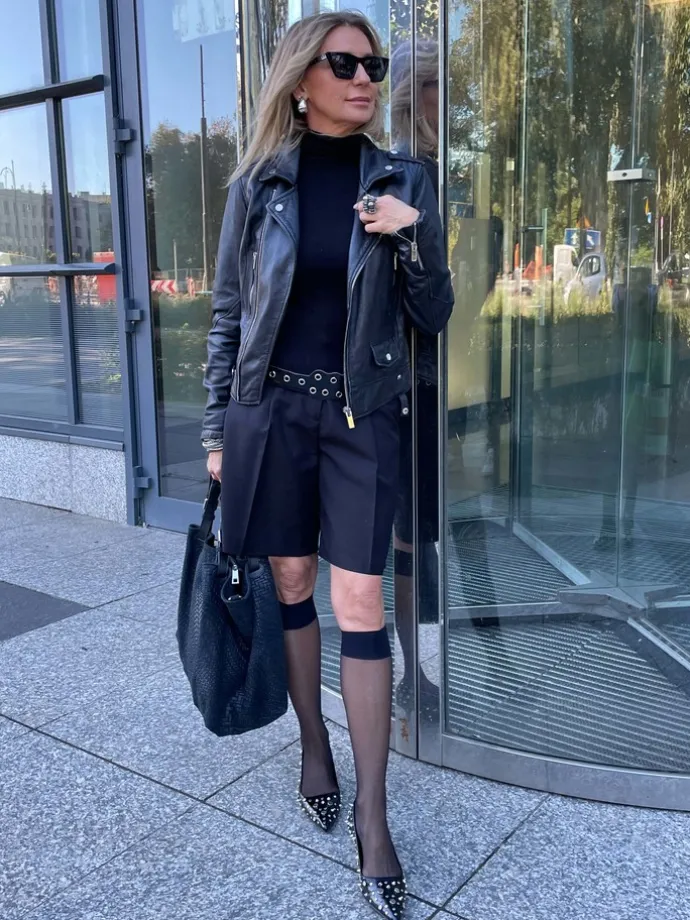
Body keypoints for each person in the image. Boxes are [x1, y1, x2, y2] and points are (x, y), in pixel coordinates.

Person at [201, 11, 453, 918]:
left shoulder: (404, 178)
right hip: (272, 413)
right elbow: (229, 317)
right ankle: (314, 748)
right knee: (293, 580)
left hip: (361, 416)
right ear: (301, 77)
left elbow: (434, 314)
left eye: (374, 66)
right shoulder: (257, 184)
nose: (364, 80)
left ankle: (373, 819)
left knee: (361, 600)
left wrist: (411, 234)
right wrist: (216, 434)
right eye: (344, 64)